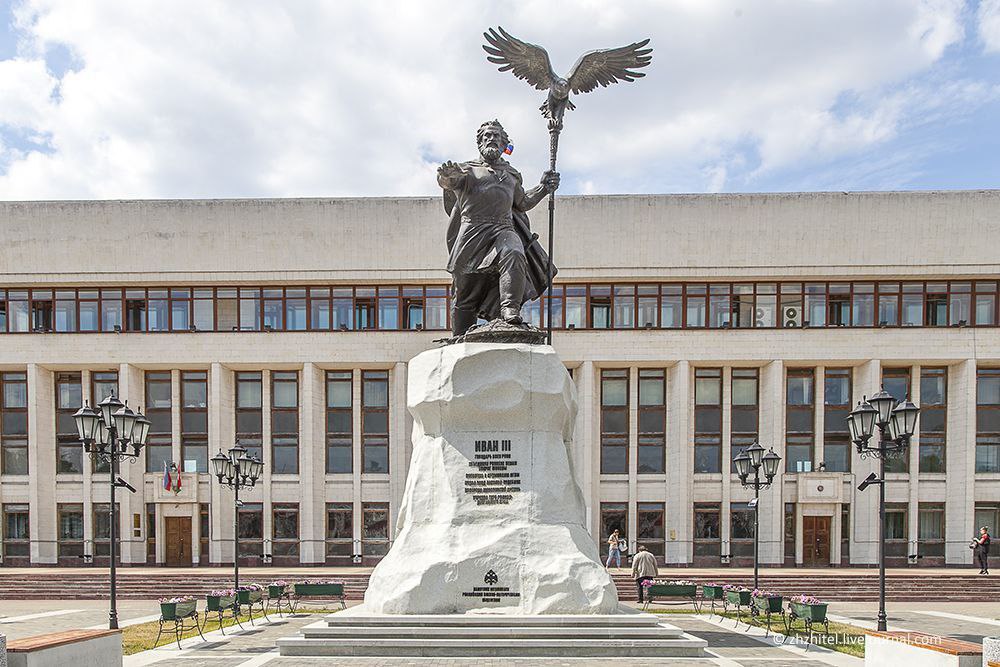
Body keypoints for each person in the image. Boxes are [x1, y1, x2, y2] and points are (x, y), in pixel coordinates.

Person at [438, 120, 560, 336]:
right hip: (472, 232)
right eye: (487, 136)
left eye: (496, 136)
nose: (491, 139)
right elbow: (449, 182)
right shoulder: (467, 170)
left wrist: (543, 187)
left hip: (503, 228)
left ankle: (510, 309)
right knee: (465, 293)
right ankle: (459, 336)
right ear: (479, 142)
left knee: (514, 252)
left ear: (504, 144)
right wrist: (446, 176)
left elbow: (523, 202)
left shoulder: (511, 174)